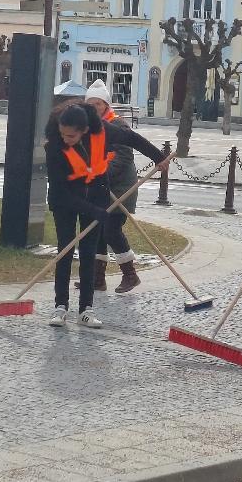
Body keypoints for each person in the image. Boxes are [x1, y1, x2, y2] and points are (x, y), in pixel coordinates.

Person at [44, 101, 167, 327]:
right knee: (65, 249)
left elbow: (131, 138)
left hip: (95, 193)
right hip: (66, 200)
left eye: (71, 136)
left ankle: (86, 310)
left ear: (84, 131)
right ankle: (60, 306)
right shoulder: (55, 144)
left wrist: (158, 157)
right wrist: (94, 211)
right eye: (63, 134)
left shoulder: (102, 131)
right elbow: (60, 191)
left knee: (90, 253)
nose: (66, 139)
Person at [81, 79, 139, 292]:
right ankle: (97, 278)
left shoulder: (117, 125)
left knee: (111, 230)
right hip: (101, 187)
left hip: (121, 187)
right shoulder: (88, 126)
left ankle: (130, 275)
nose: (95, 108)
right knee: (96, 229)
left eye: (98, 104)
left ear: (106, 105)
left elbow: (123, 157)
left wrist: (101, 175)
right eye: (91, 104)